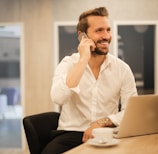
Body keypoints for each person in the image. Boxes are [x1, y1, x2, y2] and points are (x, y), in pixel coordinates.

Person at [42, 6, 138, 154]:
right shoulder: (68, 64)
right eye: (99, 30)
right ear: (83, 36)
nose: (106, 36)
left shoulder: (122, 69)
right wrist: (83, 59)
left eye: (108, 30)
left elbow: (130, 111)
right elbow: (58, 98)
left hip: (107, 133)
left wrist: (101, 123)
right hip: (70, 134)